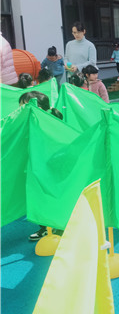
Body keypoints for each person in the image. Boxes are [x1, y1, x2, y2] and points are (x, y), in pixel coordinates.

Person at [20, 90, 64, 241]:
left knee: (49, 196)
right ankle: (47, 227)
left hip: (50, 167)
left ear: (37, 108)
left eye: (24, 107)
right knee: (41, 197)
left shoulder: (48, 121)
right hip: (40, 166)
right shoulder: (33, 122)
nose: (22, 110)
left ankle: (56, 227)